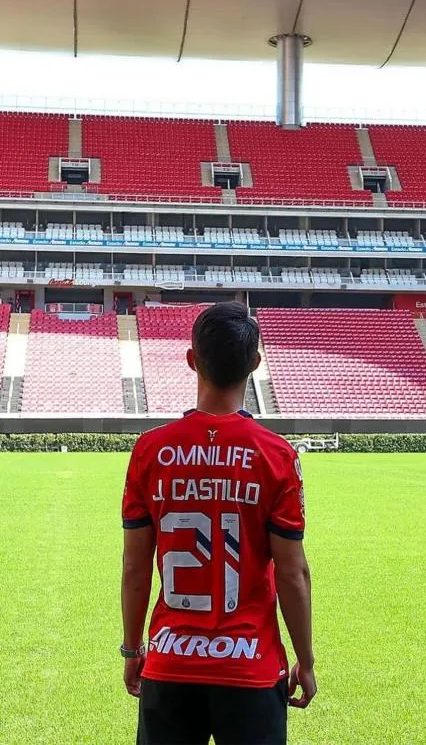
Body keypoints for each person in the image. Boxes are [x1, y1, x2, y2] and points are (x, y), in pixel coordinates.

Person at [121, 302, 315, 745]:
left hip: (170, 664)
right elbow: (292, 572)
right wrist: (304, 659)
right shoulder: (277, 455)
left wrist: (133, 648)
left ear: (192, 360)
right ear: (255, 365)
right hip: (250, 665)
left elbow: (135, 568)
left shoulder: (150, 451)